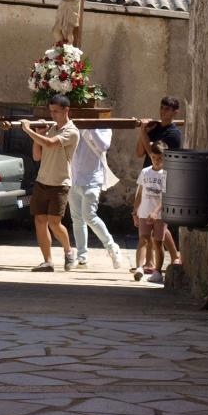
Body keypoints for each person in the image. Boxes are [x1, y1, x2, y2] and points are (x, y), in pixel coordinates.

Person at [20, 95, 78, 272]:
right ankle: (47, 261)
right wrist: (39, 134)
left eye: (56, 111)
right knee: (40, 220)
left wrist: (28, 130)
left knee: (54, 223)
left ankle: (69, 251)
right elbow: (37, 156)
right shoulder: (51, 129)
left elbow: (51, 144)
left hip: (60, 183)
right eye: (51, 111)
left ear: (66, 110)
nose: (53, 115)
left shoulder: (71, 131)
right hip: (42, 181)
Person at [134, 96, 183, 265]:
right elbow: (140, 152)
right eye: (162, 108)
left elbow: (153, 155)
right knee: (154, 224)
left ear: (175, 113)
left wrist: (143, 132)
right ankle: (162, 259)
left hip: (163, 179)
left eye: (167, 109)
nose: (163, 112)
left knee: (158, 223)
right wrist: (144, 132)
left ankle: (159, 260)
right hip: (149, 176)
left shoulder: (173, 134)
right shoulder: (155, 128)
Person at [67, 124, 124, 270]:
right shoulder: (72, 125)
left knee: (89, 216)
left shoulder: (104, 128)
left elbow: (103, 146)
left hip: (92, 179)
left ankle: (112, 247)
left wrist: (91, 127)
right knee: (77, 219)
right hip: (74, 179)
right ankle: (82, 257)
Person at [132, 141, 169, 285]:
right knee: (143, 239)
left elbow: (165, 196)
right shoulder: (145, 172)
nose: (156, 161)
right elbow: (140, 193)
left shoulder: (166, 174)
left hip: (160, 215)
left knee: (158, 242)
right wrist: (135, 211)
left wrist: (155, 212)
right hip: (144, 212)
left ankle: (157, 272)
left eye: (160, 158)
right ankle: (139, 268)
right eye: (154, 158)